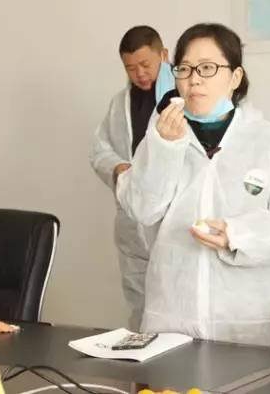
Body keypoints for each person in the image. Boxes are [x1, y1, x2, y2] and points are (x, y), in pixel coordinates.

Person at [116, 23, 270, 347]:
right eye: (185, 69)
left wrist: (237, 235)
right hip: (171, 319)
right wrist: (164, 150)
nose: (194, 79)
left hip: (246, 327)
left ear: (235, 77)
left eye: (207, 68)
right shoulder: (162, 135)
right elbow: (142, 209)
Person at [89, 25, 168, 330]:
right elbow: (100, 149)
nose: (140, 74)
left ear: (164, 55)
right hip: (132, 225)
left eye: (145, 64)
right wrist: (118, 167)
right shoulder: (120, 103)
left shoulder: (184, 98)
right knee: (139, 307)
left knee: (175, 308)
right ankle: (140, 359)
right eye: (130, 68)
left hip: (170, 222)